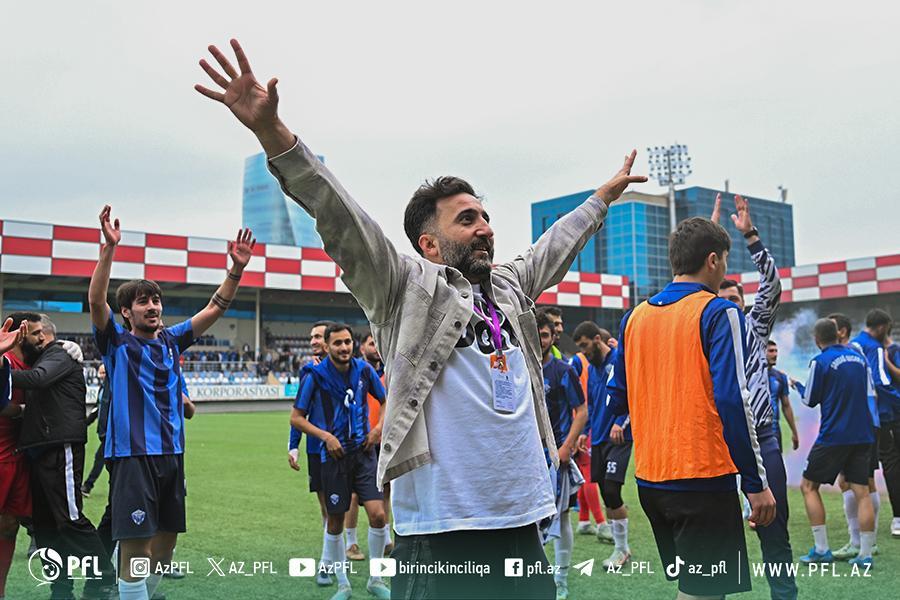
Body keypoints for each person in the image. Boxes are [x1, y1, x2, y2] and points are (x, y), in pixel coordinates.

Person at [196, 38, 645, 600]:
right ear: (429, 244)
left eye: (485, 216)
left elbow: (554, 247)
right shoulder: (403, 289)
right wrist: (273, 134)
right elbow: (341, 217)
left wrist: (601, 198)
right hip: (439, 530)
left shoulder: (508, 287)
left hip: (524, 519)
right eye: (467, 219)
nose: (485, 228)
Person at [88, 205, 255, 600]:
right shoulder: (116, 343)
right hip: (133, 457)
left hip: (172, 455)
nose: (153, 307)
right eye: (143, 302)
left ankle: (132, 593)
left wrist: (236, 270)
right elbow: (96, 301)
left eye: (156, 300)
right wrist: (109, 250)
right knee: (136, 551)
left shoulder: (171, 340)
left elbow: (215, 308)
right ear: (126, 312)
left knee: (163, 551)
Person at [608, 216, 775, 599]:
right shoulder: (719, 311)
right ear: (713, 260)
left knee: (695, 587)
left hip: (651, 480)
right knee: (704, 592)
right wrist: (755, 484)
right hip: (702, 479)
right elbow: (733, 400)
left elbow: (616, 397)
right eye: (726, 261)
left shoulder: (634, 318)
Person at [713, 194, 796, 600]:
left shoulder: (755, 327)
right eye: (723, 299)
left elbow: (773, 284)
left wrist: (750, 236)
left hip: (762, 437)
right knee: (717, 534)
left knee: (774, 527)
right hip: (715, 442)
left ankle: (784, 594)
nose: (731, 306)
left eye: (736, 301)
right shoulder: (704, 327)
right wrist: (710, 237)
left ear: (745, 305)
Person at [11, 313, 115, 600]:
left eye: (31, 333)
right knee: (45, 527)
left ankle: (105, 580)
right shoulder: (47, 357)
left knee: (69, 520)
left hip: (60, 447)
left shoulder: (58, 354)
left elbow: (38, 379)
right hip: (40, 449)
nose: (28, 339)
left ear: (44, 335)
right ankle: (61, 589)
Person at [290, 323, 389, 600]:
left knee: (378, 515)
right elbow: (296, 418)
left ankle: (376, 579)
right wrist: (325, 437)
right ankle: (343, 584)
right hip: (333, 457)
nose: (343, 347)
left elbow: (385, 401)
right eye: (337, 343)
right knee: (335, 521)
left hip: (364, 453)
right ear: (328, 346)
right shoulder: (315, 376)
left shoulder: (364, 370)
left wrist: (378, 428)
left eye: (347, 342)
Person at [798, 319, 876, 567]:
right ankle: (865, 554)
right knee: (862, 491)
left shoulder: (819, 361)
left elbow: (809, 399)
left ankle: (822, 549)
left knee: (808, 486)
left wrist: (798, 385)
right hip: (863, 434)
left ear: (816, 339)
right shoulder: (859, 358)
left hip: (834, 435)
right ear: (838, 335)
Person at [572, 321, 633, 571]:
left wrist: (620, 422)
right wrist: (585, 432)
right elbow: (592, 404)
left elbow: (632, 393)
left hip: (618, 436)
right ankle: (619, 545)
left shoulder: (619, 359)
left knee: (611, 490)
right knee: (606, 493)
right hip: (597, 438)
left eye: (585, 346)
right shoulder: (593, 368)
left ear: (597, 339)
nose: (583, 352)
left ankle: (622, 549)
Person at [536, 313, 586, 600]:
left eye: (545, 335)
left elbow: (582, 411)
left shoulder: (563, 370)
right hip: (529, 458)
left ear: (553, 337)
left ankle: (561, 578)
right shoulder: (520, 367)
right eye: (536, 334)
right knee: (530, 519)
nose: (540, 340)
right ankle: (536, 578)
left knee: (563, 515)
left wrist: (566, 446)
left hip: (557, 457)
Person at [287, 320, 339, 585]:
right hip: (315, 449)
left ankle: (332, 560)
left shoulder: (349, 370)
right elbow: (300, 411)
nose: (313, 342)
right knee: (327, 508)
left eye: (318, 337)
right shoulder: (308, 372)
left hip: (343, 448)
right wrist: (293, 445)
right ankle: (331, 561)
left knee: (339, 506)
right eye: (311, 337)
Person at [850, 309, 900, 539]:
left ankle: (862, 533)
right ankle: (896, 519)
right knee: (892, 464)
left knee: (865, 473)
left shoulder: (854, 344)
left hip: (860, 418)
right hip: (884, 415)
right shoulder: (875, 347)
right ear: (881, 327)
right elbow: (881, 382)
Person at [0, 317, 27, 600]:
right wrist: (22, 410)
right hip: (1, 456)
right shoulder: (6, 359)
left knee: (8, 527)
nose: (42, 338)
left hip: (17, 457)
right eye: (37, 332)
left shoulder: (32, 363)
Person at [766, 341, 799, 453]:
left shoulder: (780, 377)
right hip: (756, 431)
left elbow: (786, 406)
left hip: (774, 432)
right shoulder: (751, 376)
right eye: (771, 351)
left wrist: (794, 432)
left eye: (776, 351)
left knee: (776, 461)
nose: (775, 354)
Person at [82, 363, 110, 497]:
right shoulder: (102, 389)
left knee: (100, 458)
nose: (101, 375)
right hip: (103, 431)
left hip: (110, 432)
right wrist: (84, 424)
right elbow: (96, 410)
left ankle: (87, 486)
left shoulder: (111, 389)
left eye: (104, 373)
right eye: (100, 373)